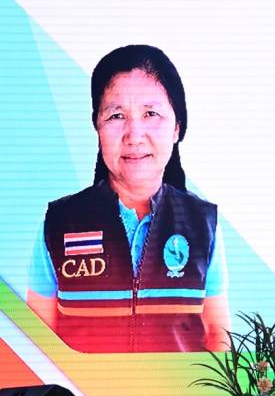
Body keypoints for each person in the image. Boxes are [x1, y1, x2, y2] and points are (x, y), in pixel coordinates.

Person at [26, 45, 230, 353]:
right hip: (83, 388)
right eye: (117, 115)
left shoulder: (203, 224)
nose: (134, 135)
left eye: (151, 114)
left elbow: (217, 337)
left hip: (178, 388)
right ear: (97, 126)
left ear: (177, 127)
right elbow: (37, 344)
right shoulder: (59, 223)